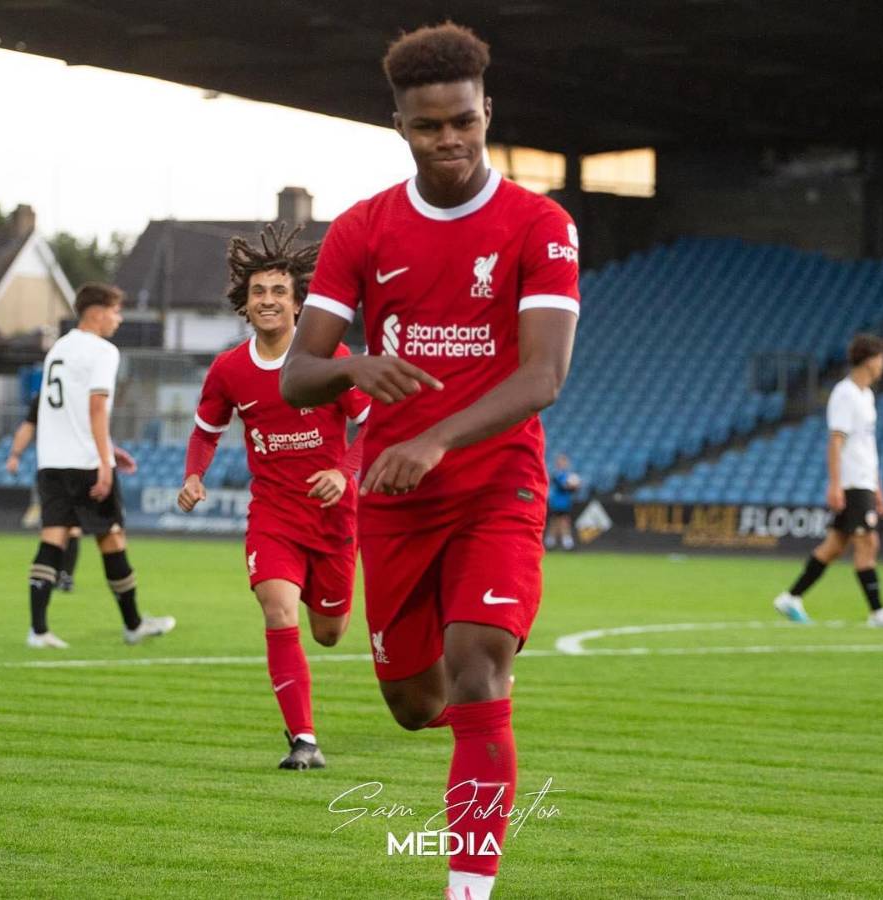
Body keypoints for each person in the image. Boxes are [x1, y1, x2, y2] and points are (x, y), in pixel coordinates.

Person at [280, 23, 580, 900]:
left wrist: (437, 436)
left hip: (498, 484)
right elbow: (299, 375)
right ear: (400, 126)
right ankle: (471, 724)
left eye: (462, 121)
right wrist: (353, 367)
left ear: (488, 110)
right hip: (396, 502)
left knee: (482, 663)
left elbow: (545, 374)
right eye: (427, 127)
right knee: (417, 706)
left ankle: (466, 887)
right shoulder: (363, 229)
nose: (448, 140)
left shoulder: (540, 223)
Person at [177, 225, 369, 770]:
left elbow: (375, 424)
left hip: (334, 518)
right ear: (246, 302)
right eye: (258, 291)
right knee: (277, 607)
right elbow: (204, 431)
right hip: (274, 517)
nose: (268, 300)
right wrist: (195, 475)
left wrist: (344, 469)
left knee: (329, 634)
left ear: (297, 303)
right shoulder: (229, 369)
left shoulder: (326, 357)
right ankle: (303, 740)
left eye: (278, 292)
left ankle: (326, 620)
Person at [26, 283, 174, 649]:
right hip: (85, 463)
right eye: (115, 311)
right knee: (112, 538)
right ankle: (133, 624)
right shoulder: (103, 351)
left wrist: (109, 447)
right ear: (96, 312)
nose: (119, 319)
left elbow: (63, 411)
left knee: (53, 538)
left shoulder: (58, 349)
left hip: (52, 462)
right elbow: (94, 407)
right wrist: (105, 461)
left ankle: (39, 631)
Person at [774, 334, 883, 628]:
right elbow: (836, 440)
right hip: (851, 482)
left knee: (836, 545)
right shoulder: (845, 394)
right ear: (870, 359)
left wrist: (878, 488)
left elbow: (867, 445)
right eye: (882, 358)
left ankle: (791, 597)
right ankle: (878, 612)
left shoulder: (866, 396)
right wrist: (835, 484)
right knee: (868, 542)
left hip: (865, 481)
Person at [7, 392, 139, 591]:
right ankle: (68, 577)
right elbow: (94, 422)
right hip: (85, 466)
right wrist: (107, 455)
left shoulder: (46, 394)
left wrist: (15, 455)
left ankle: (39, 618)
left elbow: (28, 424)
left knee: (54, 533)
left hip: (52, 467)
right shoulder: (86, 391)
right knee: (106, 533)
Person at [545, 452, 581, 550]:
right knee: (556, 521)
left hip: (565, 503)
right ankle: (554, 542)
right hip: (556, 502)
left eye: (564, 462)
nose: (562, 463)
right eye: (560, 461)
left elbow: (573, 488)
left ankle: (560, 543)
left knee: (563, 521)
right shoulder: (556, 475)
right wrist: (573, 485)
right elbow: (564, 486)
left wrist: (575, 485)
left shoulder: (567, 475)